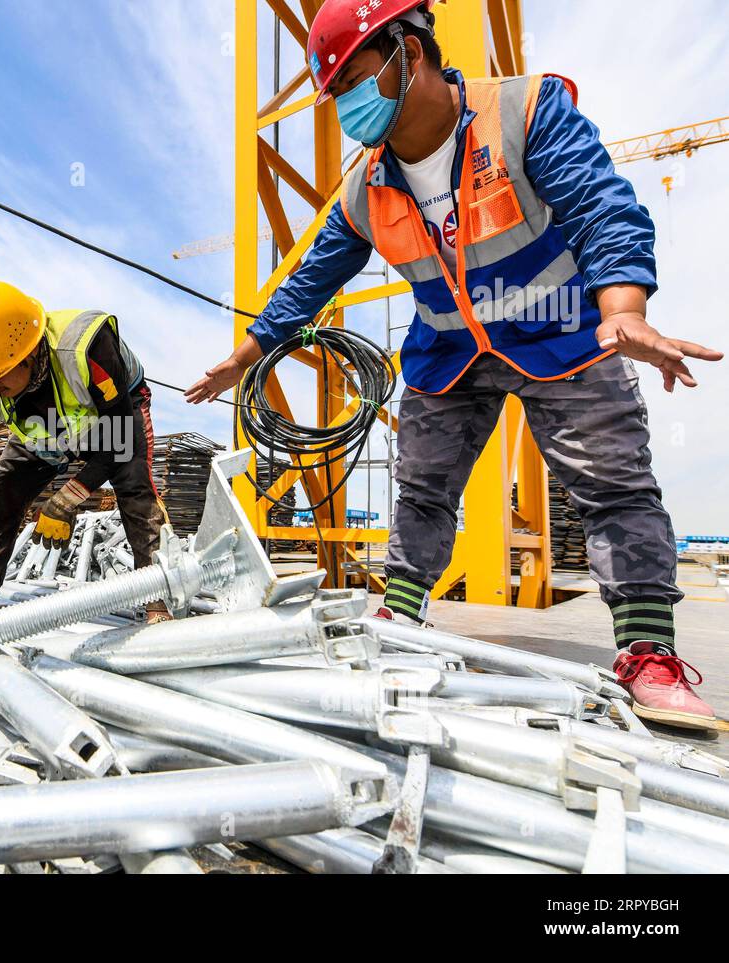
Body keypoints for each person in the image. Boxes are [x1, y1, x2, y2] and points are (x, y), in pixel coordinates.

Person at [185, 1, 721, 728]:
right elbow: (311, 279)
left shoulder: (525, 113)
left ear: (409, 50)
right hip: (450, 350)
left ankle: (648, 652)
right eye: (336, 93)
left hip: (562, 333)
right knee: (422, 488)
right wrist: (241, 359)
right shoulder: (363, 188)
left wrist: (623, 308)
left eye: (354, 81)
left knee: (614, 484)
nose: (346, 105)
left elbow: (603, 207)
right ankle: (399, 618)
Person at [0, 280, 172, 621]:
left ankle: (157, 600)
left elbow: (120, 440)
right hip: (52, 428)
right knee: (5, 484)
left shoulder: (88, 349)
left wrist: (68, 497)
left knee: (134, 484)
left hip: (115, 418)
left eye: (1, 378)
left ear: (28, 353)